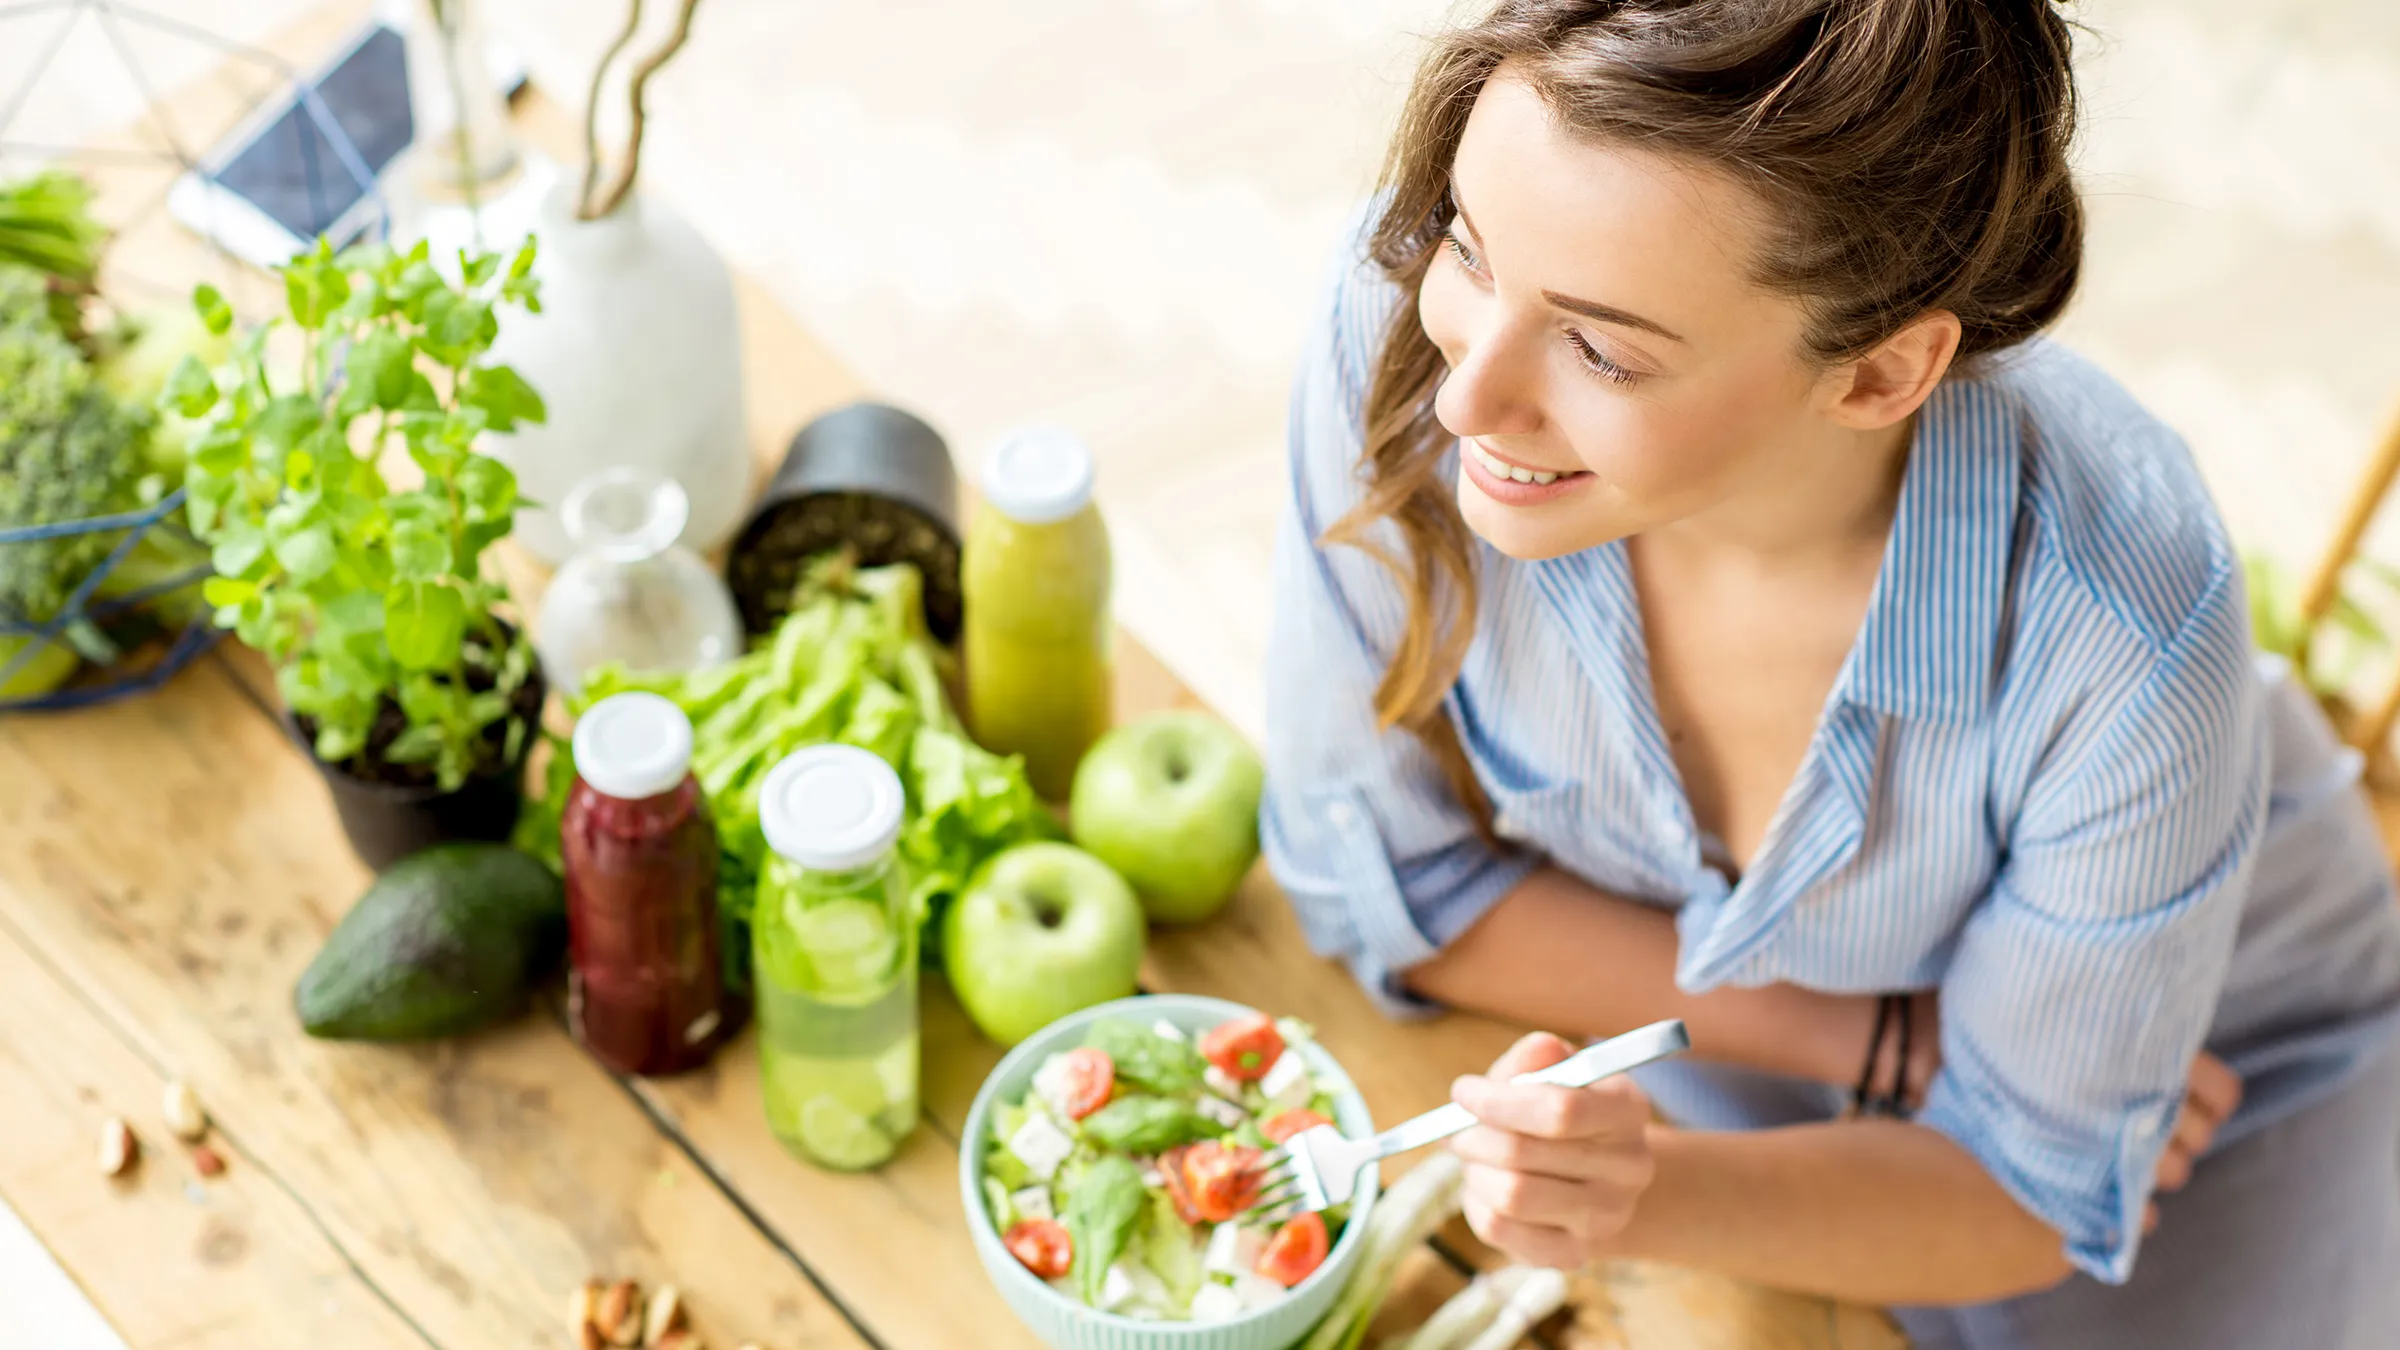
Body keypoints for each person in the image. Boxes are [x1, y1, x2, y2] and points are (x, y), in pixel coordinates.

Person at [1258, 2, 2400, 1346]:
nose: (1466, 400)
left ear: (1879, 373)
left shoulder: (2126, 630)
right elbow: (1372, 874)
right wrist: (1870, 1044)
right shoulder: (1407, 336)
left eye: (1603, 348)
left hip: (2219, 1090)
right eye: (1468, 238)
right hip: (1767, 1067)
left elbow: (2027, 1181)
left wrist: (1643, 1185)